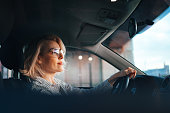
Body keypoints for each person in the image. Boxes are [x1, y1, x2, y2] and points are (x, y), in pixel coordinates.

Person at [20, 34, 137, 96]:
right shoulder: (40, 92)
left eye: (62, 52)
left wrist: (115, 77)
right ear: (39, 58)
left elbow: (89, 95)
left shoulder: (56, 84)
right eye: (54, 52)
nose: (61, 56)